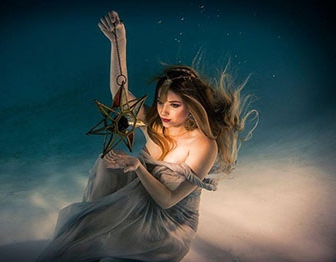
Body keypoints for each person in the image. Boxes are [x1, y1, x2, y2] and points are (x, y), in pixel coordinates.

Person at [37, 10, 257, 262]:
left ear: (192, 106)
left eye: (174, 105)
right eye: (161, 101)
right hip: (137, 199)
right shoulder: (155, 122)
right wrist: (118, 42)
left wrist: (139, 167)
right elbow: (119, 96)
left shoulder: (204, 146)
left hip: (166, 228)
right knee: (104, 166)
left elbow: (168, 200)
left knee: (88, 237)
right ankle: (90, 236)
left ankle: (91, 239)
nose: (163, 110)